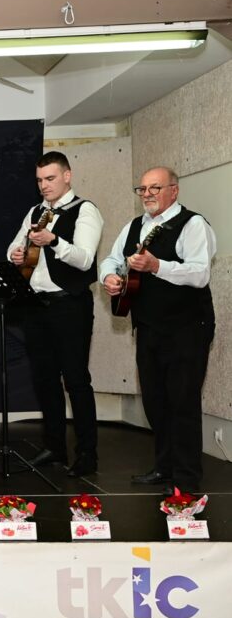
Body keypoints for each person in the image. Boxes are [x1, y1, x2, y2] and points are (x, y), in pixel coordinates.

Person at [100, 167, 215, 494]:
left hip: (187, 327)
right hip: (149, 327)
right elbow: (111, 259)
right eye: (142, 189)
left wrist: (156, 266)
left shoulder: (193, 224)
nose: (147, 194)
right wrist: (110, 277)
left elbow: (199, 274)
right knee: (156, 400)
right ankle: (165, 467)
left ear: (174, 191)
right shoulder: (134, 226)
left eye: (155, 188)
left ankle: (186, 479)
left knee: (183, 402)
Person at [7, 151, 103, 477]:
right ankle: (54, 447)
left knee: (76, 380)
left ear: (67, 176)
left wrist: (54, 241)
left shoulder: (85, 210)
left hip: (69, 305)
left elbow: (85, 259)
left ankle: (87, 454)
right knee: (44, 378)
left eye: (49, 178)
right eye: (39, 180)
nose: (44, 186)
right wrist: (16, 253)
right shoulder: (35, 211)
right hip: (36, 305)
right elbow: (14, 247)